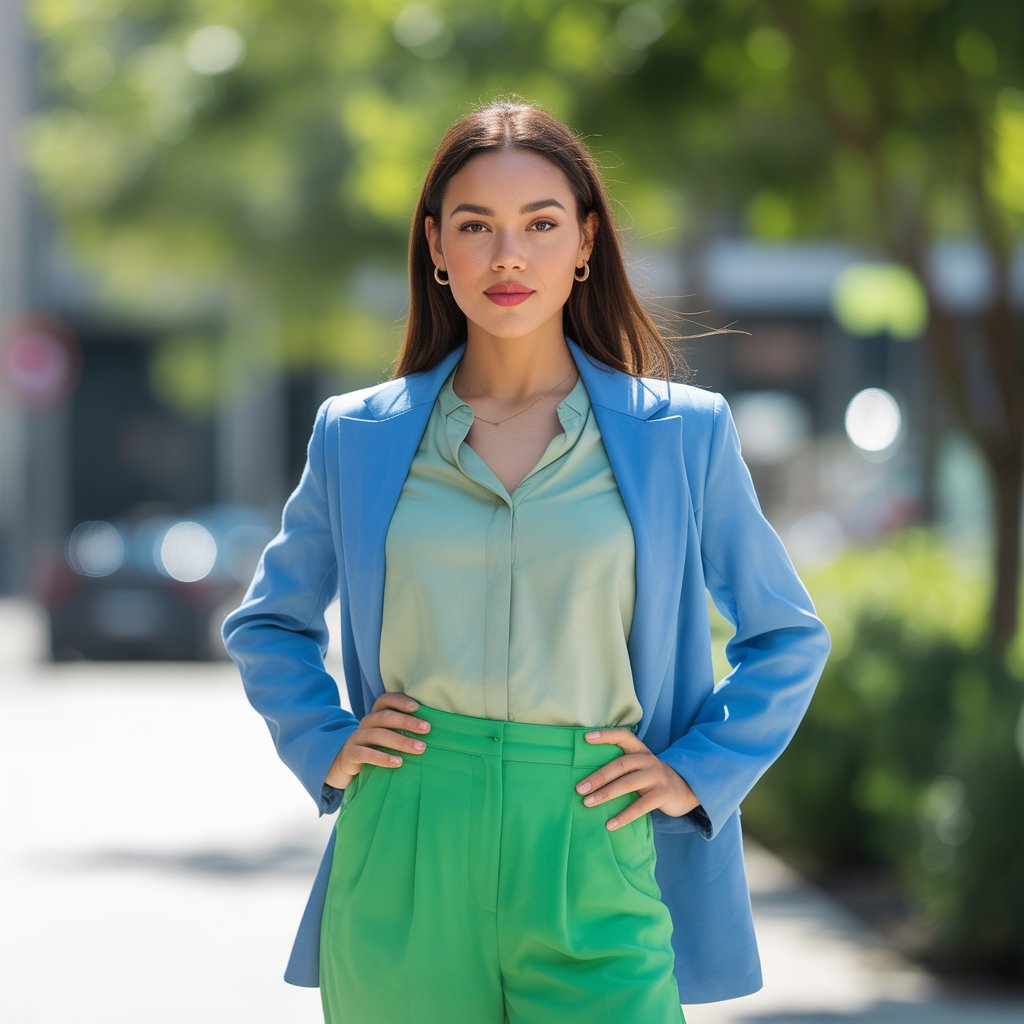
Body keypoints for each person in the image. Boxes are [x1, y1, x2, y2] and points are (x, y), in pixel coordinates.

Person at [222, 98, 831, 1024]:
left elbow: (786, 634)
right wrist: (323, 740)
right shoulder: (358, 435)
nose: (509, 255)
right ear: (436, 247)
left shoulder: (680, 435)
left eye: (541, 224)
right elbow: (268, 620)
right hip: (408, 832)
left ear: (585, 242)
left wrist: (697, 770)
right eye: (477, 226)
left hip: (595, 836)